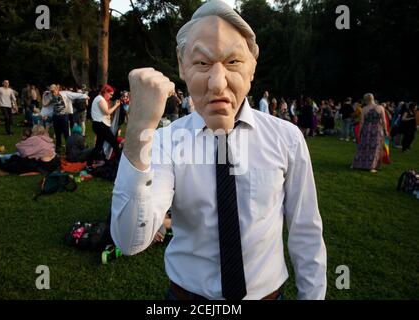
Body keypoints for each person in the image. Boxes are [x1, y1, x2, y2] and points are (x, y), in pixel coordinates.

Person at [111, 0, 326, 300]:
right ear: (182, 66)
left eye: (233, 62)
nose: (217, 82)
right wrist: (138, 132)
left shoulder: (286, 139)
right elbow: (129, 239)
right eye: (201, 63)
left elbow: (305, 231)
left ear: (252, 65)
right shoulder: (164, 142)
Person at [41, 84, 88, 153]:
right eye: (51, 91)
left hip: (64, 117)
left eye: (54, 91)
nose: (53, 93)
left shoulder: (64, 94)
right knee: (57, 134)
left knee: (66, 134)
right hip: (56, 117)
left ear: (57, 89)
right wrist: (43, 96)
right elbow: (44, 104)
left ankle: (69, 149)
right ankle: (58, 149)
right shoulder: (51, 97)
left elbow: (74, 95)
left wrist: (84, 96)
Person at [351, 93, 388, 173]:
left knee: (363, 147)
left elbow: (361, 122)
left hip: (366, 129)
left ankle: (357, 164)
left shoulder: (364, 109)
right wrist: (386, 130)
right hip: (377, 129)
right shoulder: (381, 107)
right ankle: (371, 166)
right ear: (373, 98)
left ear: (366, 100)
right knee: (375, 148)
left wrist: (359, 132)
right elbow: (384, 120)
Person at [89, 84, 121, 165]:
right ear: (106, 92)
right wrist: (116, 106)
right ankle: (120, 162)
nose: (110, 96)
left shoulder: (100, 99)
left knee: (98, 146)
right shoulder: (100, 99)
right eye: (110, 94)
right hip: (100, 125)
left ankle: (89, 163)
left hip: (100, 125)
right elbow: (107, 112)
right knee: (114, 143)